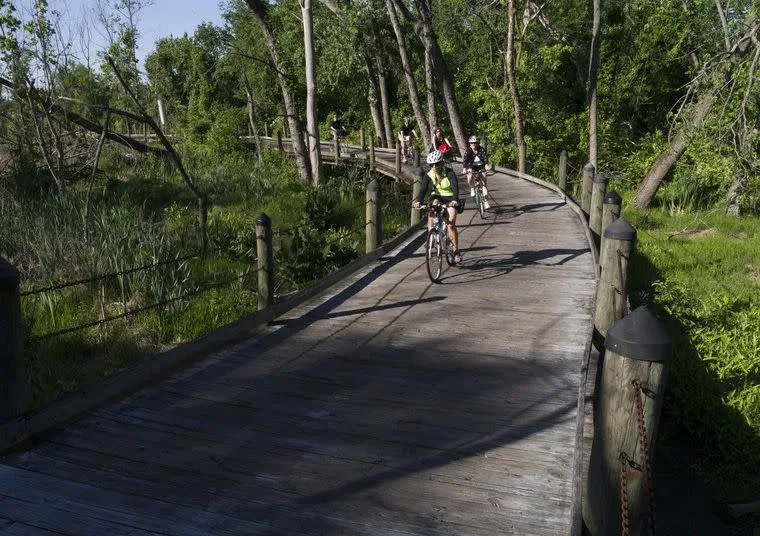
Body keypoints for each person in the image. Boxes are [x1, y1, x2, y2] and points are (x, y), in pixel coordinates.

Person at [413, 149, 463, 264]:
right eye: (431, 164)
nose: (434, 166)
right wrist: (418, 201)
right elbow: (423, 189)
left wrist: (455, 200)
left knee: (450, 224)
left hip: (450, 197)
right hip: (437, 197)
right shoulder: (429, 174)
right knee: (431, 211)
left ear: (442, 163)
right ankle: (431, 236)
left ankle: (456, 252)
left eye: (437, 164)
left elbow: (455, 187)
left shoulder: (449, 172)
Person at [462, 135, 491, 210]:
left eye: (474, 143)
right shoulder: (468, 151)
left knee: (484, 182)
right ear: (469, 144)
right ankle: (472, 187)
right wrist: (465, 168)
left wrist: (486, 165)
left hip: (481, 166)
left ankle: (485, 201)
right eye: (471, 143)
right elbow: (465, 160)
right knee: (469, 177)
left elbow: (485, 158)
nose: (473, 144)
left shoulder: (481, 149)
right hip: (471, 166)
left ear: (477, 143)